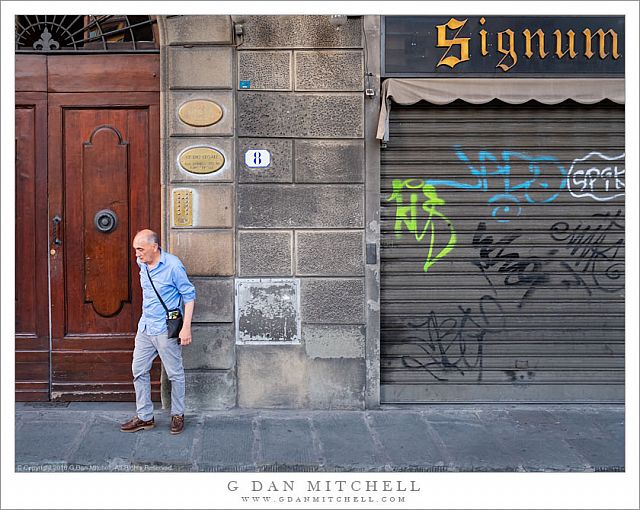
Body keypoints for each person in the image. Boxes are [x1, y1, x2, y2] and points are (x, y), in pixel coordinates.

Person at [120, 229, 196, 435]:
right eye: (135, 250)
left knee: (175, 374)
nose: (137, 254)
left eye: (140, 249)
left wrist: (186, 327)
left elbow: (189, 296)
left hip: (165, 329)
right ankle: (145, 417)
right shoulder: (142, 263)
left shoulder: (173, 266)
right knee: (139, 370)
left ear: (155, 247)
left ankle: (178, 414)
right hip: (145, 327)